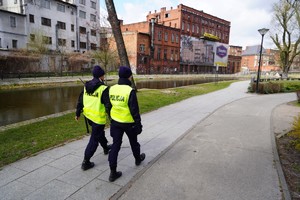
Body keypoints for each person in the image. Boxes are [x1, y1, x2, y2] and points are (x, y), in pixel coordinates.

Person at [108, 66, 145, 182]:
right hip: (128, 122)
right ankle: (138, 159)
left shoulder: (111, 89)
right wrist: (138, 125)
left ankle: (113, 172)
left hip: (115, 121)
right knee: (134, 142)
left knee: (115, 146)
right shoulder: (130, 91)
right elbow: (134, 110)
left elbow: (109, 106)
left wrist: (112, 118)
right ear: (129, 76)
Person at [75, 65, 111, 171]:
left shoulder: (86, 86)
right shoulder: (103, 88)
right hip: (98, 118)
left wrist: (78, 113)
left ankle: (105, 147)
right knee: (94, 139)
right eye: (103, 75)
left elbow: (80, 100)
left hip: (89, 116)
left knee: (98, 133)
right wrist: (112, 119)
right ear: (101, 76)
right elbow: (108, 106)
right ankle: (86, 161)